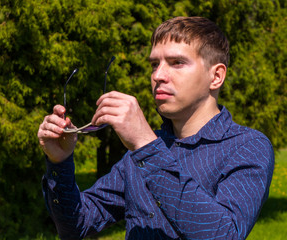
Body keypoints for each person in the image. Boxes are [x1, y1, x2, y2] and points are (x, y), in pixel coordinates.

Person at [37, 16, 274, 239]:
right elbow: (77, 225)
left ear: (216, 76)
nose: (158, 75)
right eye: (154, 64)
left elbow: (224, 235)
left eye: (177, 62)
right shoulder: (141, 153)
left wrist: (145, 145)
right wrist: (60, 162)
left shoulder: (248, 147)